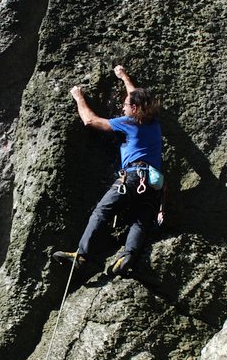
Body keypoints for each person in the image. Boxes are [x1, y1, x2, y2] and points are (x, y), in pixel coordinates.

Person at [54, 65, 163, 277]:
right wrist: (123, 76)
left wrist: (78, 97)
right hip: (153, 183)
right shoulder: (154, 124)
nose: (123, 108)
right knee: (139, 220)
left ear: (135, 109)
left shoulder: (129, 123)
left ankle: (82, 255)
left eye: (125, 105)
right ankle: (128, 255)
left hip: (132, 178)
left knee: (102, 212)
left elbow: (90, 121)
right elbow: (134, 95)